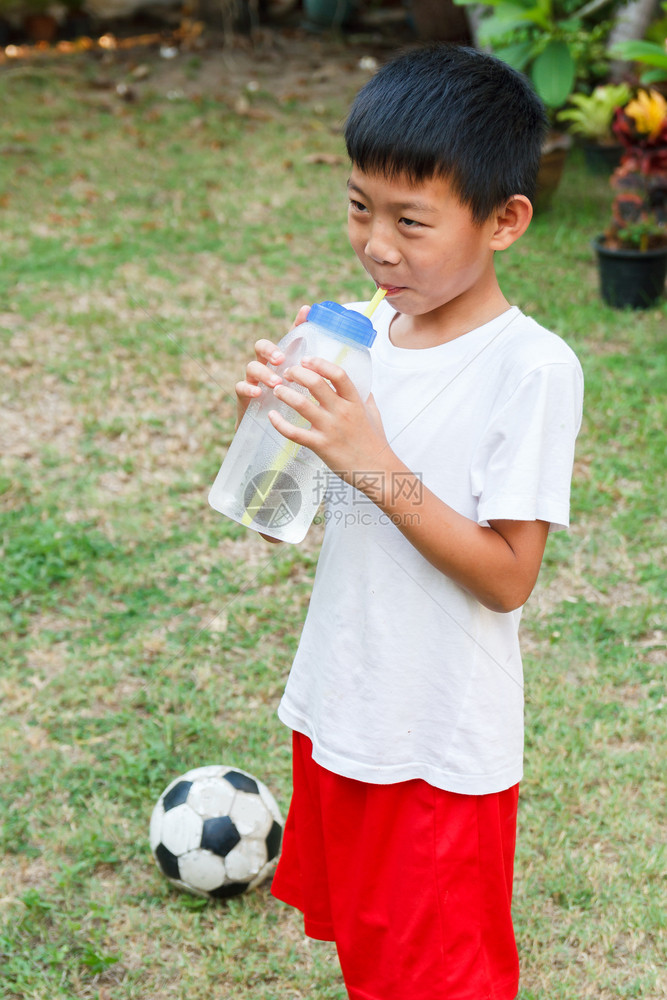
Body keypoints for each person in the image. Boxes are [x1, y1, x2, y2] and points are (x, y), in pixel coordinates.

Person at [234, 44, 583, 1000]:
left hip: (436, 745)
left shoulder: (531, 368)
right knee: (374, 966)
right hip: (343, 710)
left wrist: (376, 462)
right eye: (358, 206)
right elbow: (280, 522)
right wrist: (262, 436)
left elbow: (509, 574)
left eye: (410, 220)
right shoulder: (349, 331)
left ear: (504, 221)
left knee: (439, 978)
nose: (376, 245)